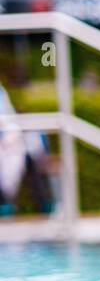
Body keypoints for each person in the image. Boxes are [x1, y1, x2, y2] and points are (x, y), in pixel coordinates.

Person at [0, 81, 55, 218]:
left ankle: (44, 205)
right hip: (8, 142)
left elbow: (7, 121)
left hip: (10, 141)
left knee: (30, 156)